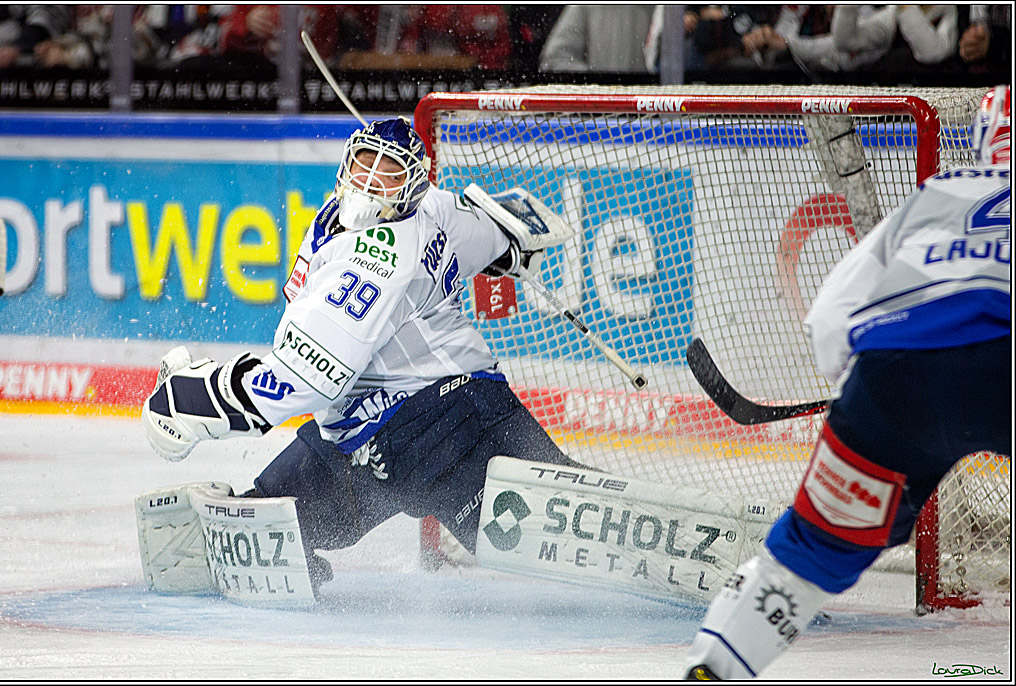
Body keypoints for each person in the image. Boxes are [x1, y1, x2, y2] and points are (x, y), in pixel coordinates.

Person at [141, 117, 585, 591]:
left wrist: (189, 400)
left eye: (389, 172)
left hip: (447, 423)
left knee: (556, 525)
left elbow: (305, 378)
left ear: (411, 186)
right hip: (365, 437)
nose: (371, 181)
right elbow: (491, 228)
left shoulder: (374, 262)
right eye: (364, 164)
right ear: (344, 165)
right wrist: (511, 241)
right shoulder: (429, 209)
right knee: (272, 518)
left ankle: (641, 531)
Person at [683, 85, 1011, 680]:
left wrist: (857, 403)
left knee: (805, 554)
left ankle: (712, 670)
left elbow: (832, 315)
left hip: (897, 374)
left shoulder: (941, 194)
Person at [538, 5, 656, 73]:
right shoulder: (584, 7)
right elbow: (555, 60)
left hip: (653, 108)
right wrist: (596, 83)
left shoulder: (663, 9)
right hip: (596, 110)